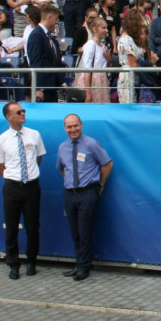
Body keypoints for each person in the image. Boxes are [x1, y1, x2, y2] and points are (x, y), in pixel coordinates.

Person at [55, 114, 113, 281]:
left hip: (88, 193)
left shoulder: (91, 144)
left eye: (75, 126)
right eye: (69, 127)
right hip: (70, 194)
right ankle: (78, 263)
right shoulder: (62, 147)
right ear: (65, 128)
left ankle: (84, 267)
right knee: (75, 232)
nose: (73, 129)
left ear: (81, 125)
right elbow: (62, 169)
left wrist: (100, 185)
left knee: (84, 231)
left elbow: (107, 164)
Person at [0, 102, 46, 280]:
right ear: (9, 117)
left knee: (32, 227)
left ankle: (32, 262)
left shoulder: (34, 135)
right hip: (12, 188)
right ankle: (13, 264)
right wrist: (14, 177)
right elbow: (0, 165)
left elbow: (37, 158)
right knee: (11, 228)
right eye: (18, 112)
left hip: (31, 186)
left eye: (23, 111)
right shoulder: (1, 140)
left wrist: (28, 175)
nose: (23, 113)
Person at [26, 5, 62, 102]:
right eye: (56, 18)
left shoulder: (48, 37)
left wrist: (60, 82)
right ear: (50, 17)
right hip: (44, 86)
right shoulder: (36, 35)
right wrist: (38, 88)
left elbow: (54, 61)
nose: (57, 21)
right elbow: (35, 62)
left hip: (51, 85)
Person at [77, 16, 111, 103]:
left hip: (101, 81)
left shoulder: (103, 47)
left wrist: (108, 58)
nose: (106, 30)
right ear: (94, 29)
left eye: (106, 28)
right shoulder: (90, 44)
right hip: (93, 81)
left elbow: (106, 67)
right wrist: (88, 91)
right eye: (103, 28)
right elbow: (87, 68)